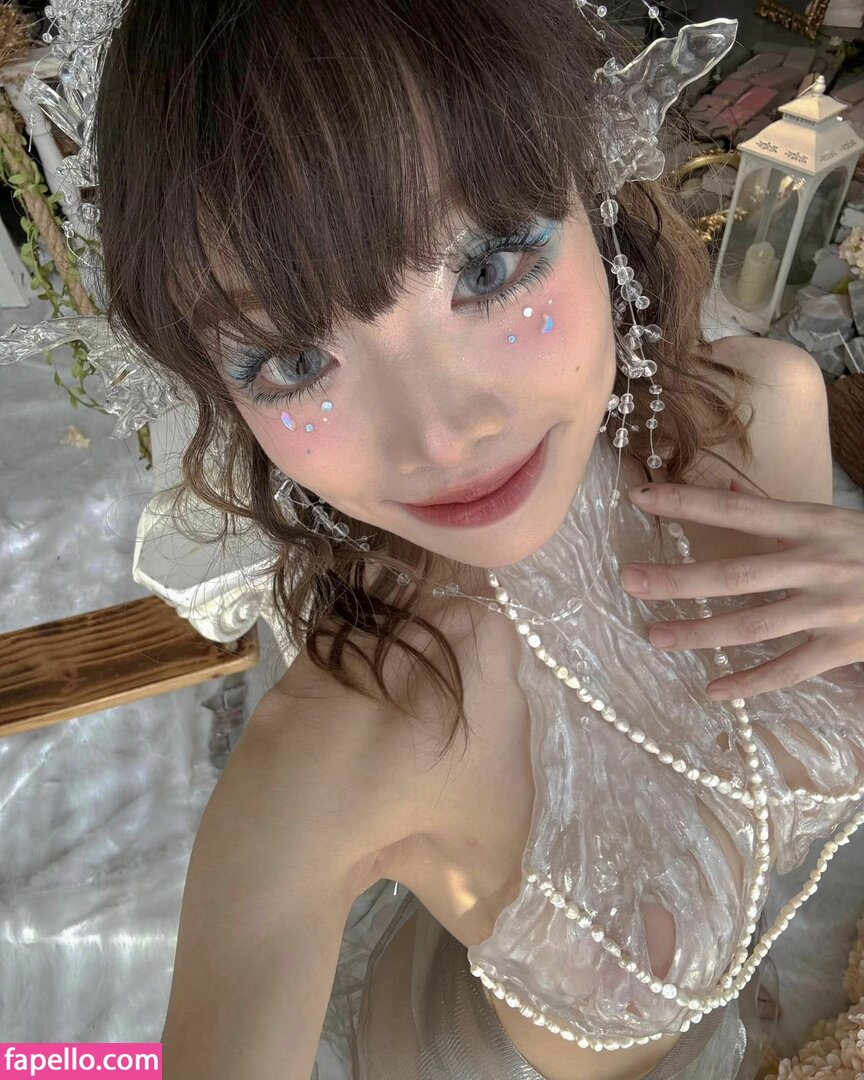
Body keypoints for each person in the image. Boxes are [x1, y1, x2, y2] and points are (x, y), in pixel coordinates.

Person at [84, 1, 864, 1077]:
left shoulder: (767, 412)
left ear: (594, 195)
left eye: (489, 267)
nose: (442, 437)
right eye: (294, 361)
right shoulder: (333, 760)